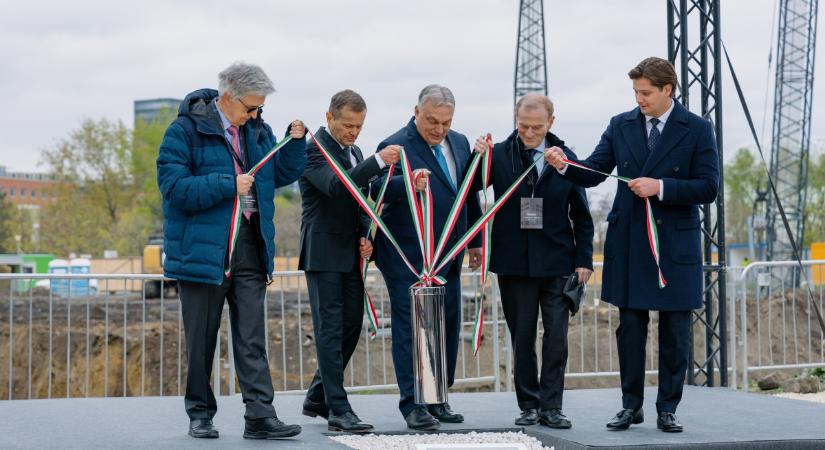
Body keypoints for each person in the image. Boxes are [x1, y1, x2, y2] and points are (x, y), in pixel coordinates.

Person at [546, 57, 719, 433]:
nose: (639, 100)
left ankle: (668, 407)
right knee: (630, 327)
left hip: (673, 243)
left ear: (667, 90)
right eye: (635, 92)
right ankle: (630, 406)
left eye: (645, 93)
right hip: (630, 241)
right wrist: (563, 164)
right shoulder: (620, 124)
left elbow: (709, 187)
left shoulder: (698, 129)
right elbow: (592, 171)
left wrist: (662, 187)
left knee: (675, 329)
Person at [157, 62, 307, 440]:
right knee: (201, 339)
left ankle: (260, 415)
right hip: (203, 253)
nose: (255, 115)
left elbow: (278, 176)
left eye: (260, 109)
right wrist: (228, 184)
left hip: (251, 246)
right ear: (227, 97)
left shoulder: (258, 130)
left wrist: (295, 144)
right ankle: (200, 415)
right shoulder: (184, 131)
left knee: (252, 337)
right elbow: (174, 188)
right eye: (250, 108)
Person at [470, 93, 594, 429]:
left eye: (536, 127)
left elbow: (582, 214)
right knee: (522, 337)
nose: (528, 132)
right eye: (523, 125)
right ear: (515, 119)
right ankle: (529, 404)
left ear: (550, 123)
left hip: (558, 262)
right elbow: (471, 192)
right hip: (514, 264)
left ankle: (552, 407)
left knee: (556, 338)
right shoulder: (497, 155)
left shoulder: (565, 158)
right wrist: (475, 157)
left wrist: (584, 259)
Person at [371, 84, 484, 431]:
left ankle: (437, 397)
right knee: (412, 328)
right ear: (416, 111)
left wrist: (475, 240)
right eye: (432, 121)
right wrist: (408, 183)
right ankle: (413, 404)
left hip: (449, 252)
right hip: (407, 255)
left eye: (445, 123)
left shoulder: (461, 143)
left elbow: (467, 192)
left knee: (446, 323)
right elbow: (375, 188)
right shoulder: (395, 144)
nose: (438, 129)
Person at [298, 89, 401, 433]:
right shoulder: (312, 150)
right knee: (330, 331)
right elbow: (337, 188)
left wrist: (364, 233)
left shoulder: (354, 151)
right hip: (323, 254)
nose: (353, 133)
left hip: (349, 253)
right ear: (329, 118)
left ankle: (317, 396)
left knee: (351, 327)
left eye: (358, 126)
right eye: (347, 126)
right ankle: (338, 410)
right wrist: (376, 162)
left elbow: (360, 200)